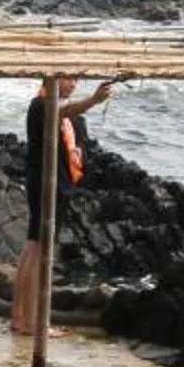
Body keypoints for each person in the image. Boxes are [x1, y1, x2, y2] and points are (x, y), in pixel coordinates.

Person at [11, 77, 117, 334]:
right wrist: (94, 100)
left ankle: (21, 318)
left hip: (47, 181)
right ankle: (32, 322)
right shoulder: (42, 105)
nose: (74, 85)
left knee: (33, 247)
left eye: (76, 79)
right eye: (69, 79)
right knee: (39, 251)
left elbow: (66, 113)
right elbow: (63, 111)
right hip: (47, 183)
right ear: (53, 79)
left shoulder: (44, 104)